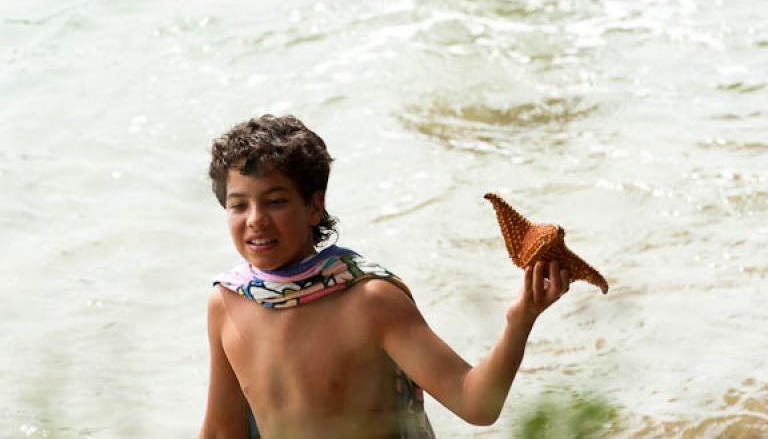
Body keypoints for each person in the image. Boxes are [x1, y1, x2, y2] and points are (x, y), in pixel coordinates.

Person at [199, 114, 571, 439]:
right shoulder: (227, 301)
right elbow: (220, 431)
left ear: (314, 206)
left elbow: (476, 403)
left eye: (275, 201)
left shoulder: (369, 301)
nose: (255, 219)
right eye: (239, 205)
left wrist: (519, 320)